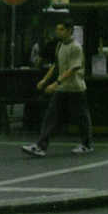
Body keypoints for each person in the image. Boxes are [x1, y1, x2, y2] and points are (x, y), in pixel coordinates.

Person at [21, 18, 94, 156]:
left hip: (76, 88)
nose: (58, 32)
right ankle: (40, 146)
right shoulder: (60, 46)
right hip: (62, 89)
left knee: (82, 117)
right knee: (51, 115)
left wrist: (55, 84)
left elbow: (73, 69)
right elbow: (56, 65)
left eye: (61, 29)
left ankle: (87, 144)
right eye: (57, 29)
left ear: (69, 31)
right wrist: (45, 80)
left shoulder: (76, 47)